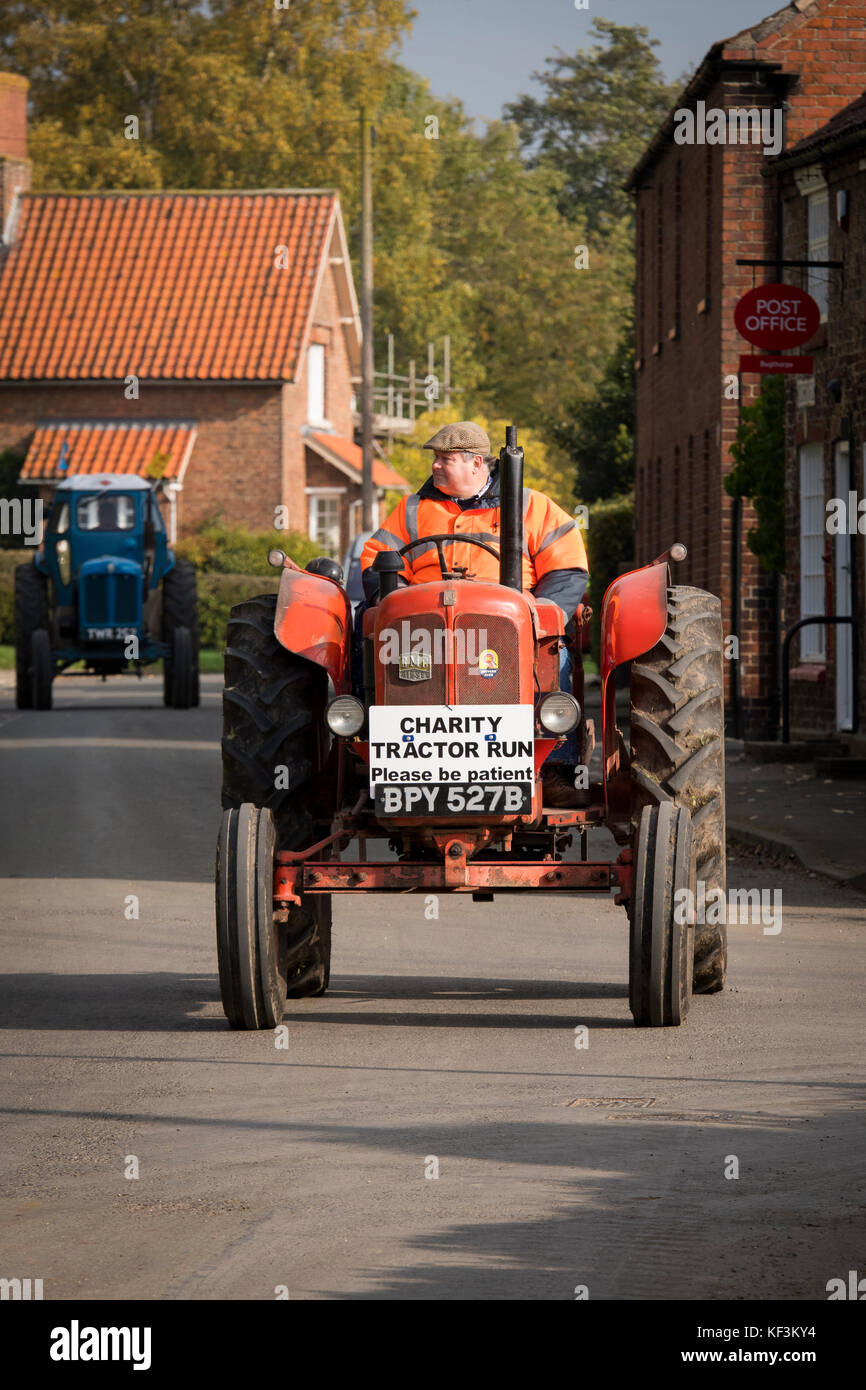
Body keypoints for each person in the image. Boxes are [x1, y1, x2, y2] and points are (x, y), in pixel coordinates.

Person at [359, 421, 589, 807]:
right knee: (373, 650)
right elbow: (377, 562)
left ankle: (555, 770)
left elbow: (567, 569)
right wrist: (397, 607)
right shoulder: (412, 509)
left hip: (510, 628)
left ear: (477, 462)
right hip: (425, 629)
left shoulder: (532, 505)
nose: (434, 466)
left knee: (555, 654)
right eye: (435, 458)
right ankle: (371, 760)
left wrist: (539, 618)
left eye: (444, 459)